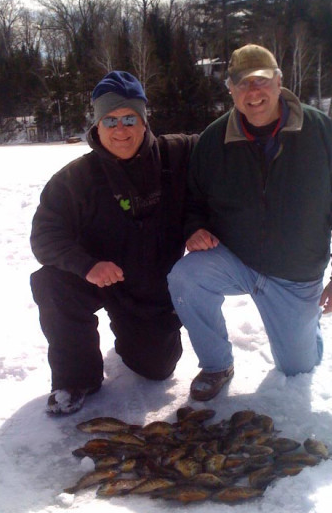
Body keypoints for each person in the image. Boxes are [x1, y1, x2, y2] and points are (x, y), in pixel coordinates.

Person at [167, 44, 332, 401]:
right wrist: (193, 228)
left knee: (298, 367)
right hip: (236, 260)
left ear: (279, 82)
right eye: (242, 83)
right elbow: (193, 199)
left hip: (294, 274)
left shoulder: (319, 132)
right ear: (230, 89)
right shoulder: (214, 140)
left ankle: (306, 328)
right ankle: (216, 364)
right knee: (186, 277)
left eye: (261, 80)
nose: (253, 91)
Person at [30, 71, 199, 414]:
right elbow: (45, 236)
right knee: (51, 282)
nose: (120, 130)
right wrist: (86, 265)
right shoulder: (74, 178)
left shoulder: (178, 154)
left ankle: (131, 334)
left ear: (144, 121)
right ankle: (76, 378)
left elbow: (227, 144)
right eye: (110, 121)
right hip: (97, 281)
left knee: (157, 368)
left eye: (128, 119)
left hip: (151, 290)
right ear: (97, 126)